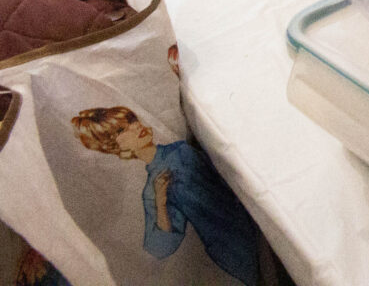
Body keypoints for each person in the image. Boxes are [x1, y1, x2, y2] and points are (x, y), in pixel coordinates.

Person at [71, 106, 259, 285]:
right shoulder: (154, 189)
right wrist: (160, 204)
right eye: (122, 130)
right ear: (114, 146)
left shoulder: (182, 148)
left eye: (132, 119)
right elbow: (161, 247)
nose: (135, 126)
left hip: (255, 217)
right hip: (234, 250)